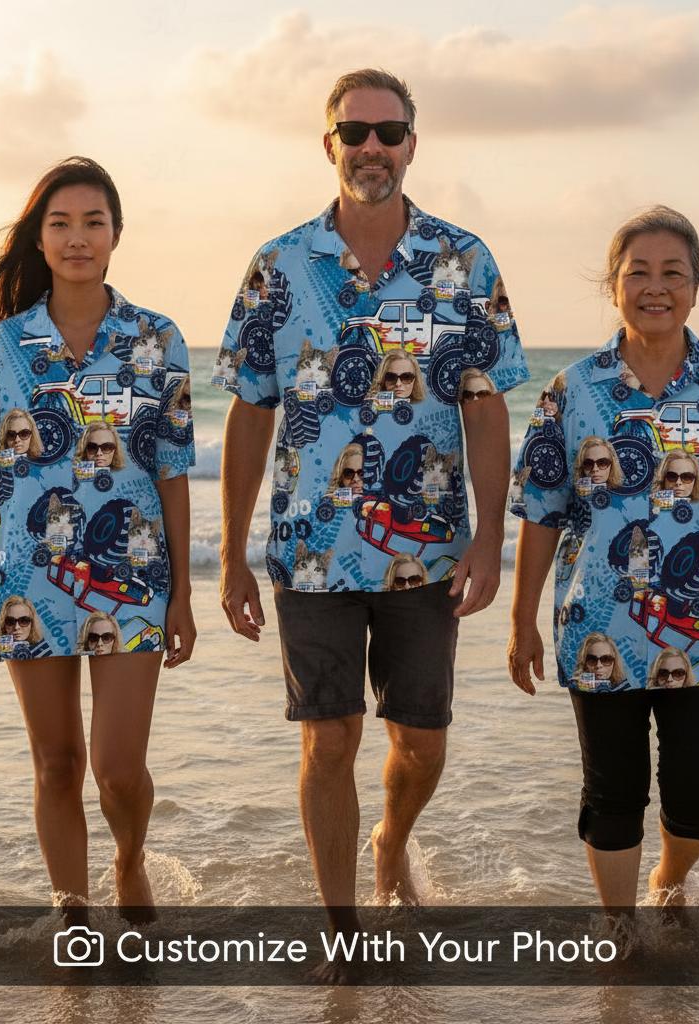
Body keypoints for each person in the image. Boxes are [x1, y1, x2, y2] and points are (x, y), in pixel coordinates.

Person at [213, 69, 530, 937]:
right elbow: (250, 410)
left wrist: (488, 537)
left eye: (388, 133)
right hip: (309, 550)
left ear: (413, 146)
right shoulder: (278, 266)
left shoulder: (465, 262)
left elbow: (487, 404)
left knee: (420, 741)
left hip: (427, 548)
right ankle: (343, 930)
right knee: (329, 740)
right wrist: (230, 550)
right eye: (354, 134)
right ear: (330, 147)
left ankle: (390, 844)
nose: (372, 149)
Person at [0, 156, 197, 923]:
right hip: (26, 582)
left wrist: (182, 593)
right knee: (55, 763)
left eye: (93, 222)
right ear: (39, 241)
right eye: (61, 224)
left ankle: (129, 858)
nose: (78, 238)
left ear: (116, 235)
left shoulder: (157, 339)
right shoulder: (3, 347)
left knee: (116, 771)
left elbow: (172, 472)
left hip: (134, 580)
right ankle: (72, 914)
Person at [507, 205, 699, 909]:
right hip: (595, 624)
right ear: (614, 285)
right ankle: (620, 933)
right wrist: (521, 622)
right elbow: (540, 512)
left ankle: (667, 880)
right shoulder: (571, 391)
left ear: (696, 286)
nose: (655, 287)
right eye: (639, 273)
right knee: (612, 794)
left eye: (673, 272)